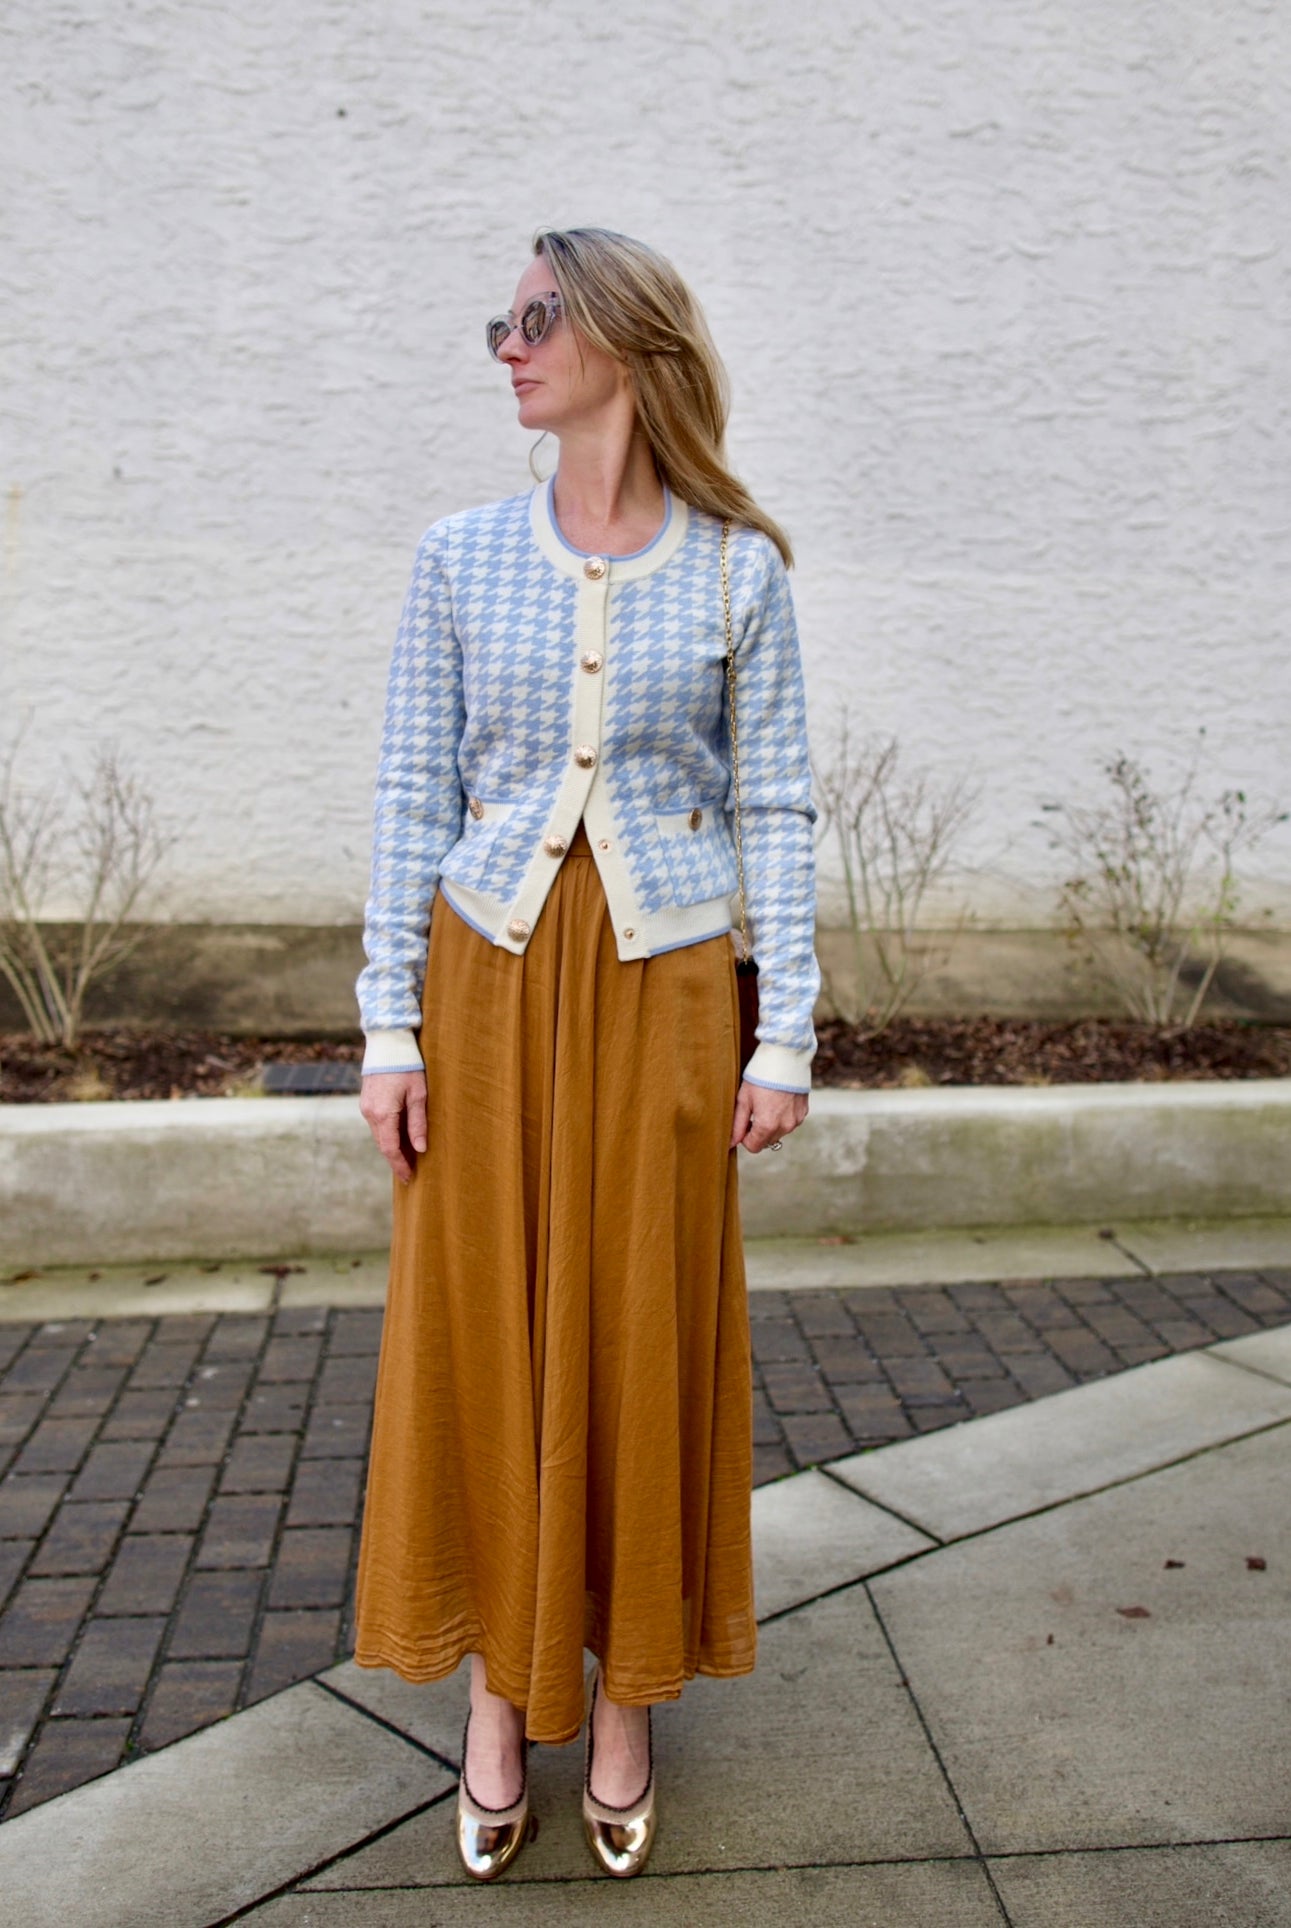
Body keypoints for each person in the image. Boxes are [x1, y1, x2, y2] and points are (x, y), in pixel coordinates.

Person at [352, 225, 819, 1882]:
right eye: (506, 318)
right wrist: (389, 1022)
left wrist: (793, 1032)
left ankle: (624, 1698)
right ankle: (498, 1694)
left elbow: (775, 803)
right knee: (486, 1328)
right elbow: (413, 793)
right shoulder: (458, 555)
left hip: (673, 988)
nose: (510, 344)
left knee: (639, 1330)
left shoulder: (737, 569)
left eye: (538, 318)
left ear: (624, 342)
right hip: (487, 990)